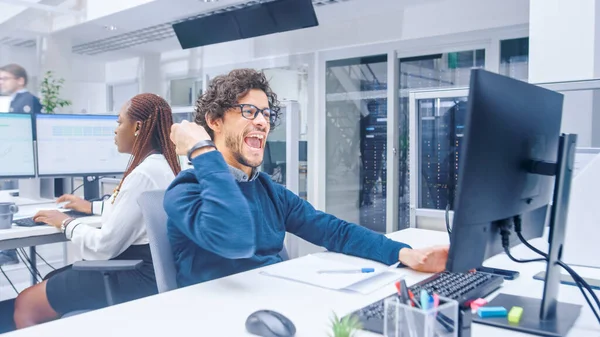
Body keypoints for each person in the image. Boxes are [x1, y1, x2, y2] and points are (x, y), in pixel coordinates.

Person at [165, 69, 449, 288]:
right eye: (249, 111)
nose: (263, 122)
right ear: (214, 121)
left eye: (266, 114)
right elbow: (235, 238)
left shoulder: (268, 191)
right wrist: (202, 150)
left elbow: (334, 231)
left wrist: (404, 254)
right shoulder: (186, 191)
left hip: (275, 300)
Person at [13, 93, 181, 328]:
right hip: (157, 272)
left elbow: (104, 246)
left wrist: (66, 222)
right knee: (51, 280)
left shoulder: (143, 174)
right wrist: (91, 206)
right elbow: (135, 210)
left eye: (119, 122)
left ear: (138, 127)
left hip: (137, 276)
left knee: (26, 303)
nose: (115, 129)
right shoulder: (163, 165)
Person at [0, 63, 42, 266]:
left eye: (5, 78)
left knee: (10, 204)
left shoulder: (28, 100)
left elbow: (29, 131)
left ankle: (9, 252)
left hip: (19, 161)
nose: (1, 82)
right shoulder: (14, 101)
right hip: (10, 159)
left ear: (20, 80)